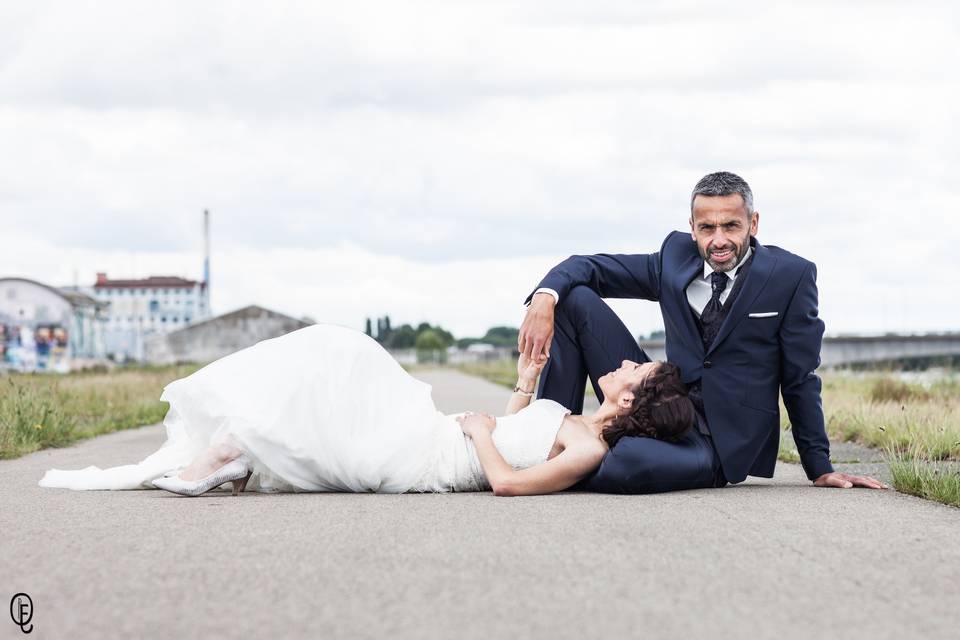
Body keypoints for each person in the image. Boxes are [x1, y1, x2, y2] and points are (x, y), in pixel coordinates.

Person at [518, 171, 887, 494]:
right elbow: (587, 265)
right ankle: (545, 445)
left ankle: (570, 465)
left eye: (731, 226)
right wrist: (543, 299)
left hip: (714, 441)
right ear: (693, 227)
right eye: (707, 228)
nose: (719, 240)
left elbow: (800, 377)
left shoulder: (790, 277)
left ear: (753, 223)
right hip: (654, 407)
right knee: (571, 298)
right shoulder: (673, 259)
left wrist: (819, 465)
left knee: (627, 465)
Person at [39, 323, 694, 497]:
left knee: (341, 361)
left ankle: (236, 454)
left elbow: (508, 481)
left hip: (433, 458)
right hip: (442, 435)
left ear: (632, 397)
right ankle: (238, 454)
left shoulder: (588, 448)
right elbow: (513, 425)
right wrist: (524, 384)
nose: (625, 361)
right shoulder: (574, 416)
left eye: (637, 366)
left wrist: (479, 432)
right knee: (337, 352)